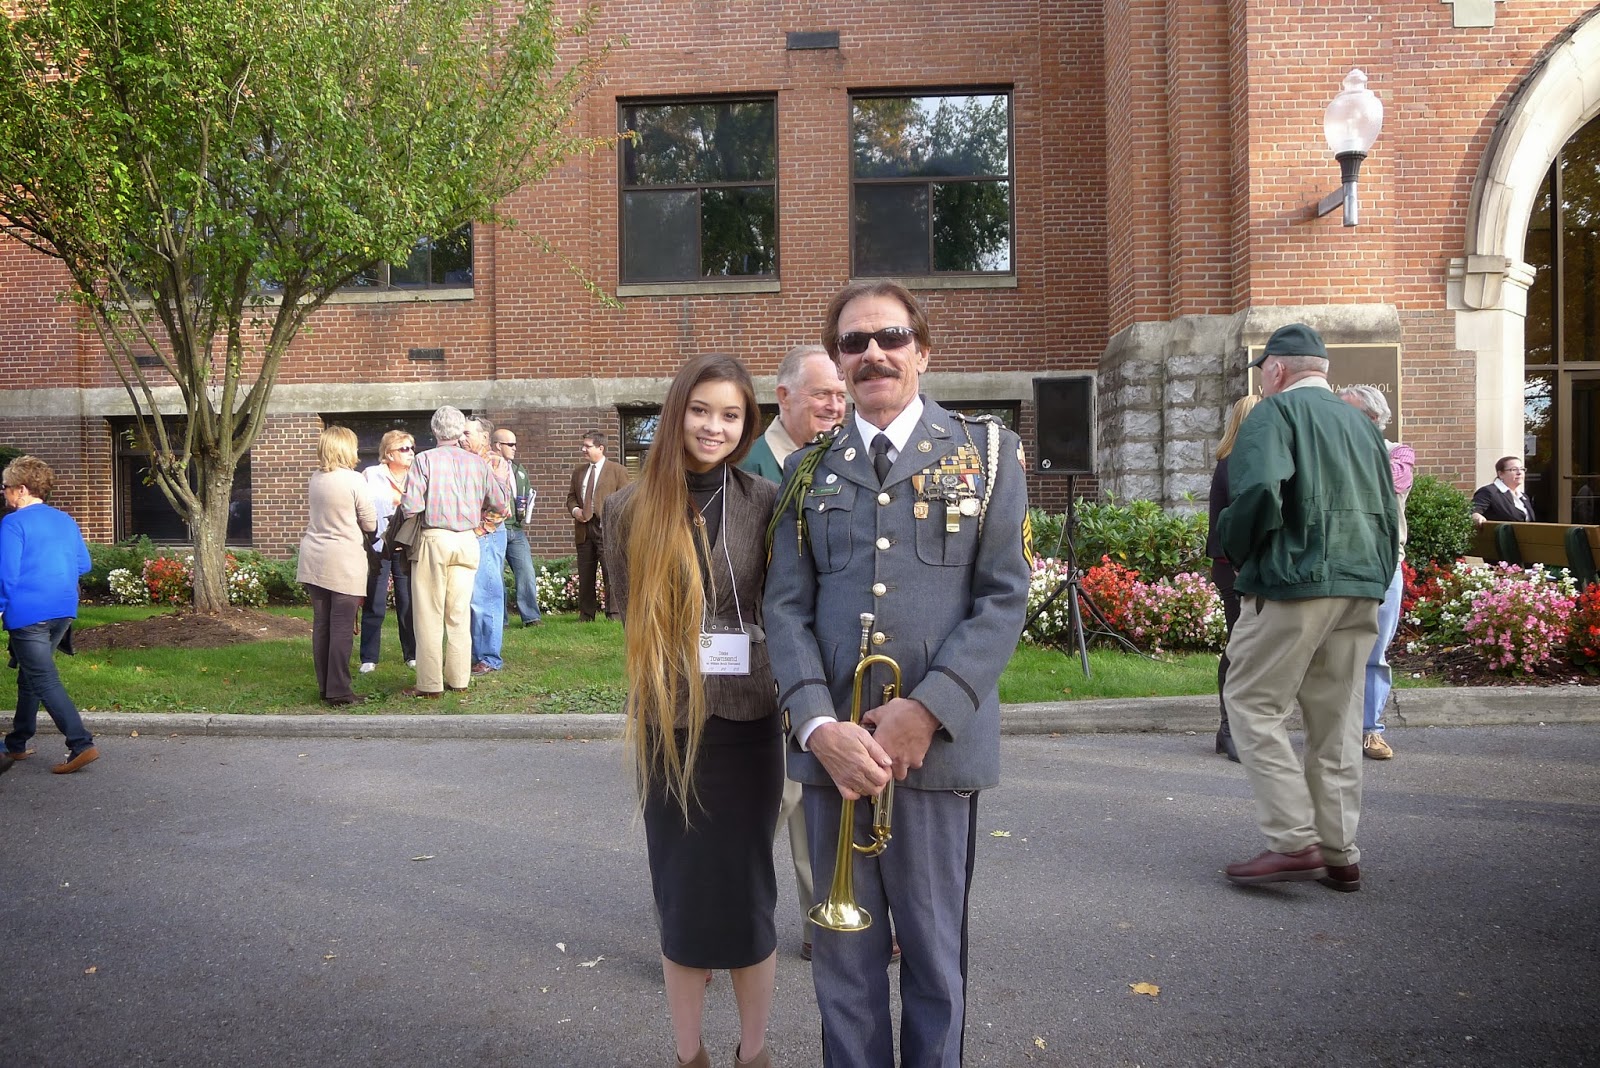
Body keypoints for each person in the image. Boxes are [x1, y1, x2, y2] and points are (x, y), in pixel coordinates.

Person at [764, 281, 1032, 1068]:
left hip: (935, 754)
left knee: (934, 960)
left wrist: (930, 709)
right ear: (838, 361)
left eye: (890, 337)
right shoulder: (809, 469)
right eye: (854, 342)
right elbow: (785, 609)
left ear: (923, 350)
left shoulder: (986, 454)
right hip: (835, 758)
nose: (873, 353)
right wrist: (818, 727)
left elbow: (1003, 597)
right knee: (843, 966)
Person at [603, 353, 782, 1068]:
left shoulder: (766, 500)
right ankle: (690, 1055)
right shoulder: (628, 508)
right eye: (701, 410)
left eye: (731, 415)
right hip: (669, 726)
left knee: (748, 890)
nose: (714, 426)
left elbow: (779, 607)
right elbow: (629, 614)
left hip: (748, 723)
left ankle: (754, 1052)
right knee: (680, 893)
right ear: (676, 413)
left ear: (747, 424)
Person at [1215, 324, 1398, 893]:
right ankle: (1339, 851)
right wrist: (1377, 575)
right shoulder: (1362, 423)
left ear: (1276, 370)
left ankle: (1294, 841)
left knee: (1251, 702)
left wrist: (1234, 547)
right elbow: (1389, 509)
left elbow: (1258, 494)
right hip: (1361, 583)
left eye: (1264, 373)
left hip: (1294, 580)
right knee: (1336, 719)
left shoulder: (1273, 413)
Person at [739, 343, 847, 962]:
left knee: (817, 797)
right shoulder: (747, 465)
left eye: (841, 395)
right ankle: (724, 926)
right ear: (783, 397)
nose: (836, 405)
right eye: (822, 394)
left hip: (822, 661)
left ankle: (822, 922)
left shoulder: (842, 461)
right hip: (758, 661)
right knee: (766, 804)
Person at [396, 406, 510, 698]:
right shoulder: (478, 463)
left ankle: (429, 684)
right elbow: (500, 503)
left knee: (429, 614)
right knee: (459, 614)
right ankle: (459, 679)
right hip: (468, 540)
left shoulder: (424, 460)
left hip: (434, 539)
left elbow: (411, 506)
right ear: (460, 432)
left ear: (434, 430)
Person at [0, 456, 98, 773]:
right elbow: (84, 564)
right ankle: (16, 743)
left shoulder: (13, 523)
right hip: (63, 611)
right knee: (31, 675)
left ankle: (81, 743)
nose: (4, 492)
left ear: (22, 489)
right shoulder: (65, 520)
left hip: (28, 613)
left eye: (6, 486)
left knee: (43, 678)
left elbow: (7, 574)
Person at [1339, 385, 1414, 761]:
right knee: (1334, 650)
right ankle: (1334, 728)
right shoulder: (1332, 451)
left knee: (1374, 652)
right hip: (1337, 564)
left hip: (1383, 566)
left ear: (1371, 418)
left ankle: (1370, 731)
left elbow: (1390, 482)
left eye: (1345, 413)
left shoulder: (1398, 453)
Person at [296, 426, 378, 706]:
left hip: (313, 556)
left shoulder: (315, 478)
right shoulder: (354, 479)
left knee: (322, 625)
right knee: (342, 627)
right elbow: (370, 523)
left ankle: (325, 687)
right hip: (343, 559)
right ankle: (340, 691)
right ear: (346, 448)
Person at [1206, 393, 1260, 764]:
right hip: (1234, 567)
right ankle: (1229, 728)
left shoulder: (1242, 461)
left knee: (1247, 647)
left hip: (1242, 566)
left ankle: (1236, 727)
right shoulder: (1233, 464)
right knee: (1239, 647)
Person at [359, 430, 417, 674]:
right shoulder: (372, 475)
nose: (410, 453)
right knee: (375, 600)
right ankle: (368, 657)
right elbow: (363, 505)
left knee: (408, 601)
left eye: (412, 448)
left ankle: (412, 654)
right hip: (379, 545)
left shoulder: (417, 474)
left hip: (405, 545)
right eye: (404, 449)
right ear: (389, 453)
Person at [465, 416, 515, 674]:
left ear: (484, 437)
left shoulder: (494, 462)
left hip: (487, 534)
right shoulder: (465, 460)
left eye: (467, 433)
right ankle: (476, 654)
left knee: (486, 595)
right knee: (473, 597)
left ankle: (489, 658)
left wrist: (478, 530)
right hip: (471, 534)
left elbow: (500, 506)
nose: (462, 438)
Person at [566, 430, 629, 621]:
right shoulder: (579, 472)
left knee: (611, 572)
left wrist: (611, 520)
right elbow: (571, 497)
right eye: (583, 446)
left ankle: (614, 614)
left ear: (600, 448)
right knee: (585, 572)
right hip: (583, 528)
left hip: (606, 528)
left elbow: (625, 499)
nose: (583, 449)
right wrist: (575, 511)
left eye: (587, 446)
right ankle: (586, 615)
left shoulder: (618, 471)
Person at [491, 427, 542, 627]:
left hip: (517, 529)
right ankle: (500, 620)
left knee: (526, 572)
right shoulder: (487, 466)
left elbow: (527, 492)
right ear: (498, 445)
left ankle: (531, 617)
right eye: (510, 444)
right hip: (495, 528)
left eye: (515, 444)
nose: (515, 448)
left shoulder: (518, 469)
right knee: (496, 575)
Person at [1471, 456, 1534, 524]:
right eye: (1514, 469)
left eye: (1522, 469)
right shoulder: (1488, 492)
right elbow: (1472, 511)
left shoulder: (1524, 497)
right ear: (1501, 474)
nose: (1519, 472)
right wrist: (1476, 516)